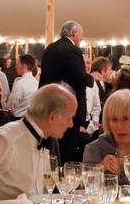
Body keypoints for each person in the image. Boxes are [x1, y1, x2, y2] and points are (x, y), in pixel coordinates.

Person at [39, 20, 94, 162]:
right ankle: (64, 178)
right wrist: (91, 79)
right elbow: (79, 77)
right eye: (81, 34)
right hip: (66, 107)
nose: (82, 38)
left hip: (49, 104)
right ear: (73, 33)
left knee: (51, 147)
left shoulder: (50, 48)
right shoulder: (72, 50)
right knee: (67, 148)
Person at [82, 90, 130, 185]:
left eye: (126, 119)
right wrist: (100, 167)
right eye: (114, 120)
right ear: (108, 122)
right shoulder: (94, 150)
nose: (120, 126)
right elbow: (83, 188)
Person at [7, 54, 39, 118]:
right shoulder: (37, 83)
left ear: (24, 66)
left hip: (16, 120)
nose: (16, 67)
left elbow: (10, 107)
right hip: (31, 119)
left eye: (17, 64)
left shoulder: (20, 84)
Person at [82, 53, 101, 135]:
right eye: (83, 63)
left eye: (88, 63)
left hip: (89, 124)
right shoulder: (71, 82)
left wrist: (94, 122)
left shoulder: (93, 83)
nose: (86, 65)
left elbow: (96, 107)